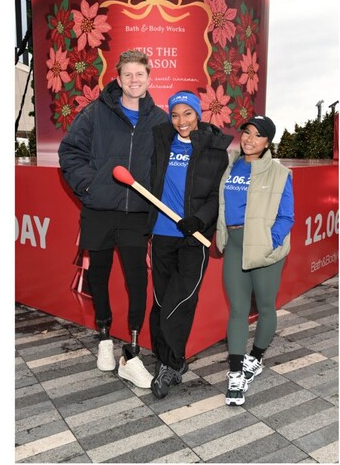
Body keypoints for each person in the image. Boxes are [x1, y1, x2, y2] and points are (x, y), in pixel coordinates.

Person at [58, 50, 168, 388]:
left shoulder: (160, 120)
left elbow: (167, 166)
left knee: (137, 280)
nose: (135, 80)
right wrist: (90, 185)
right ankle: (104, 337)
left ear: (149, 79)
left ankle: (132, 350)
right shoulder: (95, 113)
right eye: (128, 75)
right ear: (118, 79)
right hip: (99, 210)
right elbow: (70, 152)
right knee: (100, 275)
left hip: (136, 214)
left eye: (140, 74)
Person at [148, 91, 233, 399]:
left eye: (187, 114)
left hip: (193, 238)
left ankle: (169, 364)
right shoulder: (161, 143)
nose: (181, 121)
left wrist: (198, 220)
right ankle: (170, 358)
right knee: (160, 300)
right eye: (175, 114)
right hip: (161, 234)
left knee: (180, 300)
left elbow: (216, 197)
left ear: (198, 114)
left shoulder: (215, 150)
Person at [216, 115, 294, 406]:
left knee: (264, 307)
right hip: (235, 245)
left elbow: (287, 216)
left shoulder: (280, 173)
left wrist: (269, 244)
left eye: (258, 135)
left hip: (264, 249)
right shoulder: (231, 164)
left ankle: (256, 357)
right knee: (237, 310)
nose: (249, 139)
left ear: (267, 142)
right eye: (247, 132)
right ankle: (235, 373)